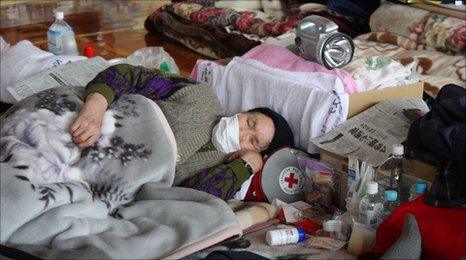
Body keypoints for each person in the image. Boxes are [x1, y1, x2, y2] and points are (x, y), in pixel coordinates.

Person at [70, 64, 294, 200]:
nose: (243, 132)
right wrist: (94, 110)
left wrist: (246, 166)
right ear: (242, 112)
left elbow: (193, 200)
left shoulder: (219, 172)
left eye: (253, 142)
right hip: (88, 127)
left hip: (97, 179)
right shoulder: (200, 96)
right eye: (250, 122)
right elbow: (130, 75)